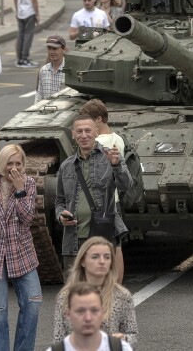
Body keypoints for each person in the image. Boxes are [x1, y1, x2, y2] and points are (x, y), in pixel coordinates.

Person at [54, 115, 133, 278]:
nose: (84, 135)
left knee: (103, 290)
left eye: (88, 131)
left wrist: (117, 165)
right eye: (79, 131)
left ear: (96, 132)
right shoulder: (66, 166)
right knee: (75, 292)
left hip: (102, 236)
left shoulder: (109, 157)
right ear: (73, 134)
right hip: (73, 239)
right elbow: (59, 201)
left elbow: (127, 185)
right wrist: (60, 215)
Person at [0, 144, 41, 351]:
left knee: (32, 304)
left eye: (18, 163)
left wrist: (20, 190)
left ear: (23, 165)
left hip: (21, 253)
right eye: (9, 163)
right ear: (1, 164)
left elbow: (27, 217)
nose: (13, 168)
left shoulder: (29, 183)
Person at [77, 100, 127, 284]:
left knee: (96, 247)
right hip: (113, 202)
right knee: (116, 246)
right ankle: (117, 286)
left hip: (98, 204)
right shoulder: (118, 139)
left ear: (99, 119)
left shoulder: (99, 143)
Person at [53, 237, 138, 346]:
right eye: (95, 257)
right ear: (83, 261)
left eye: (107, 257)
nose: (102, 261)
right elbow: (58, 338)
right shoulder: (66, 296)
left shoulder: (122, 295)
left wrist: (124, 338)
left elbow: (133, 334)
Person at [47, 283, 133, 351]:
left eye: (94, 310)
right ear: (68, 315)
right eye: (80, 311)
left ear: (103, 313)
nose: (88, 318)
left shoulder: (121, 348)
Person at [13, 0, 39, 68]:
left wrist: (17, 9)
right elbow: (34, 0)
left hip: (20, 12)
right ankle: (25, 58)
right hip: (29, 12)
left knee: (20, 35)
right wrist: (37, 14)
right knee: (28, 35)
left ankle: (19, 58)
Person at [36, 35, 67, 102]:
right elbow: (39, 96)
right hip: (45, 111)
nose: (51, 52)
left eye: (55, 49)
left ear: (63, 49)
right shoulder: (43, 70)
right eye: (49, 48)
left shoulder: (70, 70)